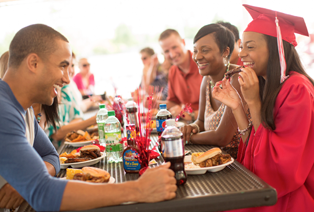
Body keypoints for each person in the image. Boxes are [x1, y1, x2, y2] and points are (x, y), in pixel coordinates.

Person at [0, 24, 176, 212]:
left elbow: (51, 156)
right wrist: (139, 189)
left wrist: (27, 179)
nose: (67, 80)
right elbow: (44, 194)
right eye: (62, 66)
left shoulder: (22, 109)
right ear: (34, 63)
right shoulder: (3, 111)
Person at [212, 5, 314, 211]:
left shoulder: (297, 89)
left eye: (250, 47)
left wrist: (253, 103)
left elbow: (280, 165)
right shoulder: (267, 84)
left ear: (277, 49)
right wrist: (237, 106)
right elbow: (256, 148)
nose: (242, 55)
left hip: (287, 195)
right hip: (262, 184)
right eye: (242, 47)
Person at [180, 24, 246, 158]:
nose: (197, 57)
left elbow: (222, 137)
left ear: (225, 52)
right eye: (195, 50)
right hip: (212, 158)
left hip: (238, 166)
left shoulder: (237, 79)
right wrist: (191, 128)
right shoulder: (207, 80)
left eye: (204, 50)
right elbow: (201, 122)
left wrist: (186, 138)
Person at [158, 29, 203, 121]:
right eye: (166, 51)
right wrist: (154, 103)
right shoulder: (172, 71)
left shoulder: (203, 64)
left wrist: (191, 115)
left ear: (183, 42)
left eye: (174, 47)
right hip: (186, 123)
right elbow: (174, 102)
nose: (172, 54)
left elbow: (218, 107)